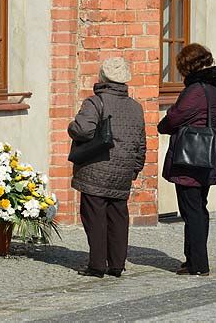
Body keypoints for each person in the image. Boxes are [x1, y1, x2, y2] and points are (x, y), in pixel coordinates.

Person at [68, 57, 146, 278]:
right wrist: (134, 169)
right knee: (118, 217)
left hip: (96, 168)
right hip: (123, 170)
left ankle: (97, 265)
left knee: (95, 217)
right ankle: (117, 265)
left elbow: (83, 130)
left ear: (102, 77)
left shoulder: (95, 102)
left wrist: (71, 126)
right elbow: (141, 142)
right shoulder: (135, 107)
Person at [158, 43, 216, 276]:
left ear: (187, 65)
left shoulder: (197, 90)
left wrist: (165, 123)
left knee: (192, 210)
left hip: (191, 157)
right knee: (199, 207)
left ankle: (198, 264)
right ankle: (193, 259)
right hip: (208, 154)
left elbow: (175, 117)